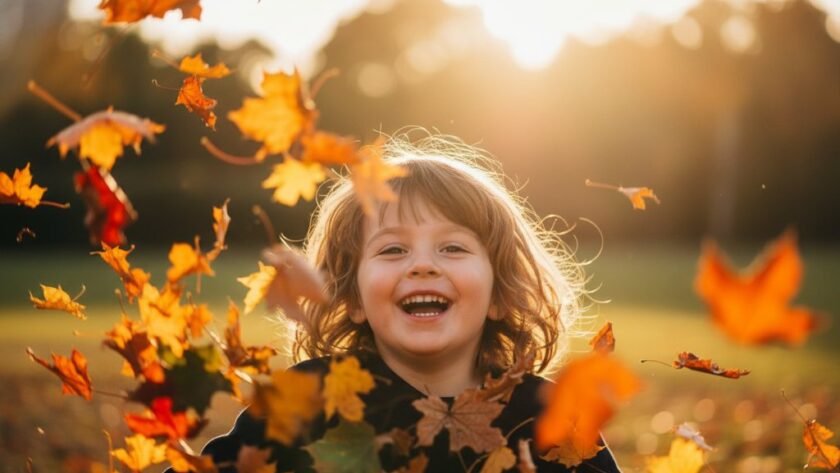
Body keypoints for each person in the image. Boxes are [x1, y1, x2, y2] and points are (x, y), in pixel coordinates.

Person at [198, 134, 621, 472]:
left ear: (499, 294)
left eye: (452, 248)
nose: (422, 265)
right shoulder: (309, 399)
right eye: (393, 250)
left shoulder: (550, 417)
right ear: (353, 298)